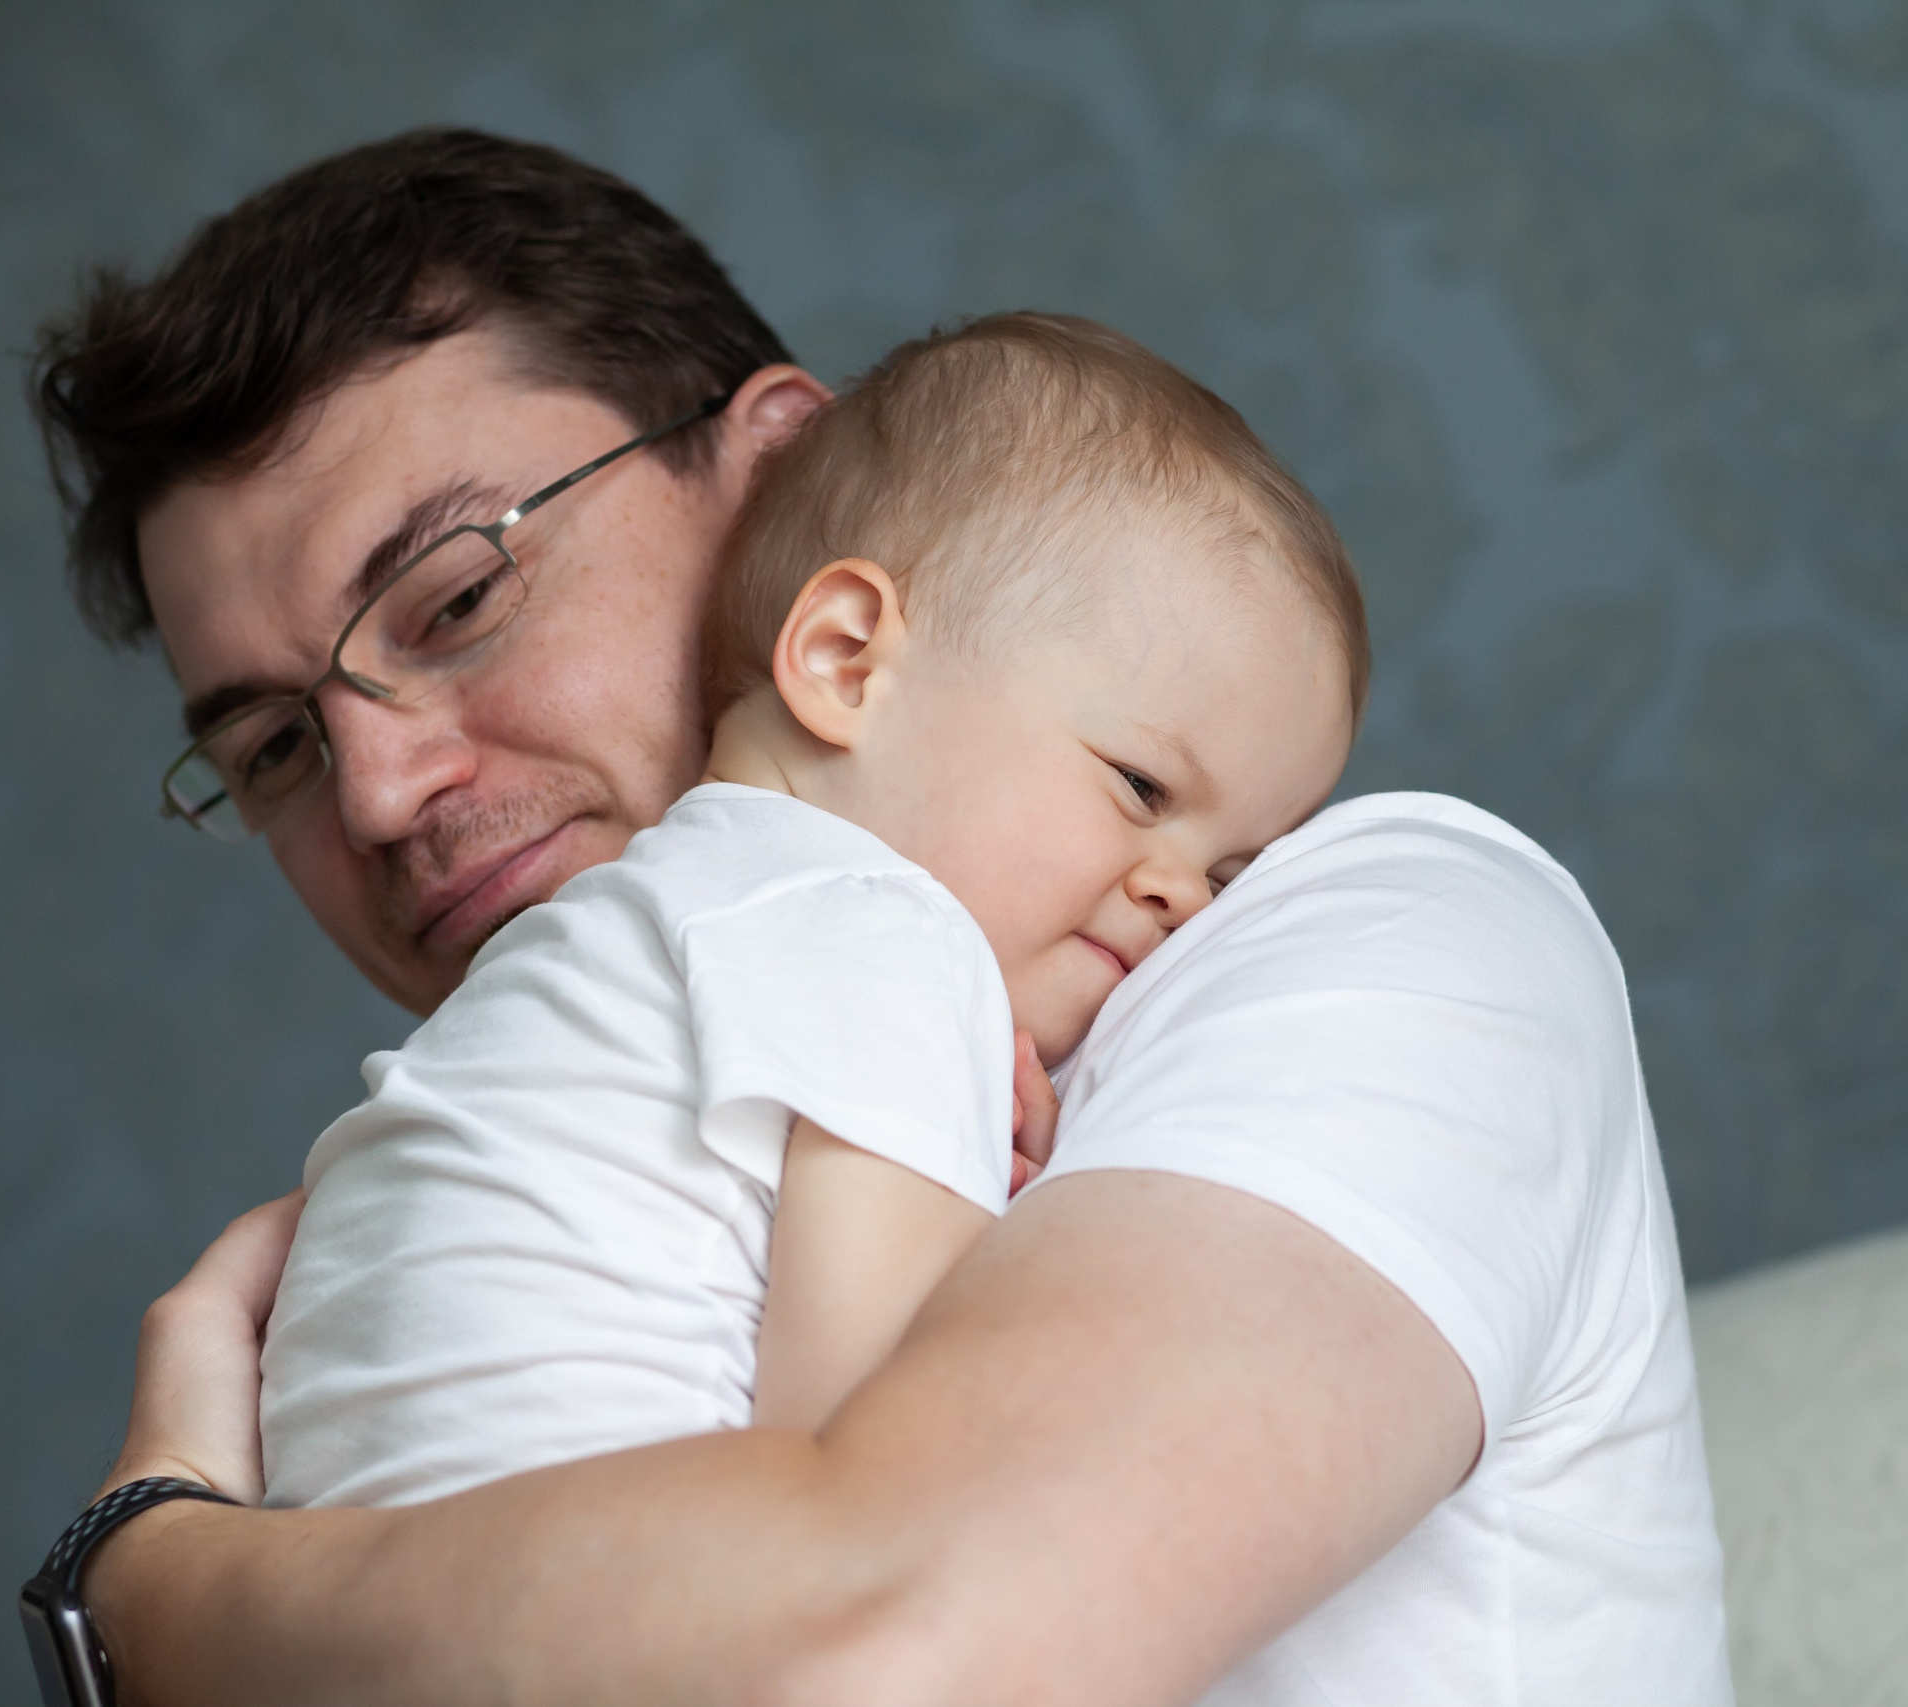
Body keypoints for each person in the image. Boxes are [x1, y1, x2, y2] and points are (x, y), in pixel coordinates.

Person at [31, 127, 1731, 1705]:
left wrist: (156, 1577)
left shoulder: (1383, 943)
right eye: (273, 748)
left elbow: (878, 1641)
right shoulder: (508, 1165)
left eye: (461, 595)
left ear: (782, 475)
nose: (378, 791)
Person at [257, 312, 1361, 1511]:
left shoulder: (603, 938)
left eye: (1228, 874)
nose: (1181, 896)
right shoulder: (881, 930)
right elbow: (890, 1484)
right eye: (1141, 787)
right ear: (845, 661)